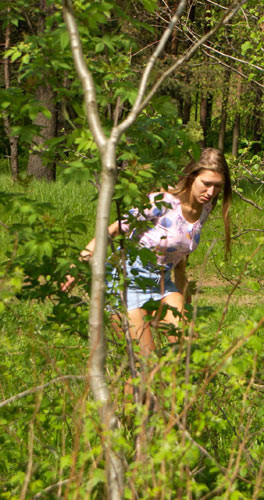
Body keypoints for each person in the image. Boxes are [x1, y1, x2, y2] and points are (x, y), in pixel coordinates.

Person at [64, 148, 232, 356]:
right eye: (206, 184)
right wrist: (79, 263)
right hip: (125, 281)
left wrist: (183, 292)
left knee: (190, 351)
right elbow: (114, 229)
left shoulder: (204, 209)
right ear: (191, 178)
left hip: (162, 282)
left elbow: (180, 255)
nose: (211, 192)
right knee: (146, 366)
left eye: (217, 186)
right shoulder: (162, 201)